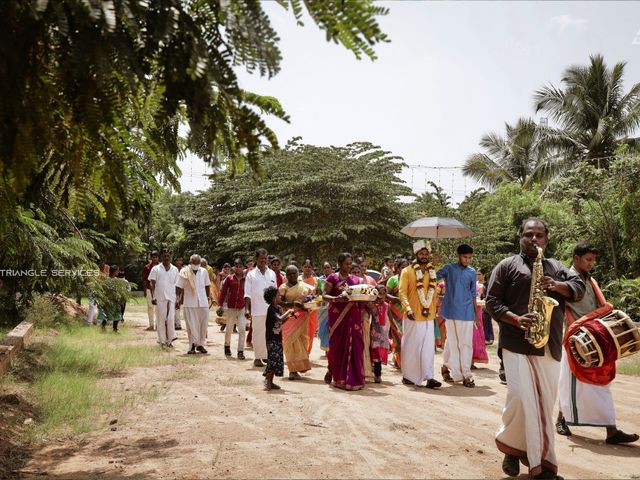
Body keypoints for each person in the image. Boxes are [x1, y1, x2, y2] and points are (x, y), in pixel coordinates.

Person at [485, 218, 585, 480]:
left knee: (543, 404)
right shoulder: (507, 266)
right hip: (517, 343)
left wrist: (556, 285)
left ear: (546, 239)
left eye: (539, 235)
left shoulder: (557, 267)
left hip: (549, 344)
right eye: (529, 235)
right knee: (519, 397)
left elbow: (578, 289)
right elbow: (491, 301)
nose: (534, 239)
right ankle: (535, 460)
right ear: (520, 237)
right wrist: (515, 319)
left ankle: (522, 452)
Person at [556, 243, 638, 445]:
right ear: (576, 258)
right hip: (577, 341)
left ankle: (611, 430)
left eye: (593, 260)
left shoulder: (590, 280)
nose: (591, 263)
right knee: (570, 383)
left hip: (596, 340)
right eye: (588, 259)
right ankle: (561, 420)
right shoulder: (566, 279)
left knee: (602, 385)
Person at [398, 241, 441, 389]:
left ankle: (429, 377)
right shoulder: (407, 271)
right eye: (421, 254)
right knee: (411, 346)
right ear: (416, 254)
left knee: (429, 347)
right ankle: (408, 376)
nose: (424, 256)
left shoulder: (432, 271)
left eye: (426, 254)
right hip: (413, 315)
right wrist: (408, 308)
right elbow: (402, 292)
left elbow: (434, 292)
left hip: (428, 315)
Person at [437, 244, 479, 388]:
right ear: (458, 256)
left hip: (466, 312)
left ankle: (466, 375)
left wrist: (476, 315)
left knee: (465, 343)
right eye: (465, 257)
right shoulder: (449, 268)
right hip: (450, 310)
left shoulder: (472, 272)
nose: (467, 260)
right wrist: (435, 263)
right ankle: (447, 366)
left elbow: (473, 293)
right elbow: (433, 277)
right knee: (452, 342)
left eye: (469, 257)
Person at [323, 252, 366, 390]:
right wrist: (336, 299)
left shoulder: (356, 280)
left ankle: (354, 379)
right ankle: (337, 375)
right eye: (346, 264)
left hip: (353, 317)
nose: (348, 266)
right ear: (339, 264)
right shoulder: (333, 278)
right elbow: (324, 296)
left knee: (355, 346)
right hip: (337, 317)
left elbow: (362, 297)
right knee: (337, 346)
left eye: (350, 264)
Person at [244, 248, 278, 367]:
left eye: (265, 258)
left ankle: (266, 356)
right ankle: (258, 357)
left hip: (270, 310)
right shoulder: (251, 274)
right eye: (261, 259)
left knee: (269, 334)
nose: (263, 261)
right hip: (257, 309)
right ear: (256, 259)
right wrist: (247, 310)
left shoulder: (272, 273)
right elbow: (247, 294)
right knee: (258, 334)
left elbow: (275, 292)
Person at [279, 265, 313, 379]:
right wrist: (293, 304)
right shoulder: (283, 287)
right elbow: (279, 302)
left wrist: (308, 304)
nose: (292, 276)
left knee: (302, 341)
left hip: (303, 316)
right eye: (290, 274)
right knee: (290, 342)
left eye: (294, 273)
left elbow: (311, 298)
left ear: (298, 274)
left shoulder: (304, 286)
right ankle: (292, 371)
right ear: (286, 275)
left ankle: (299, 367)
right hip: (289, 317)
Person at [176, 254, 212, 354]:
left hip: (203, 302)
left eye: (198, 263)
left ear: (200, 263)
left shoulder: (204, 271)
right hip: (190, 302)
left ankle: (200, 345)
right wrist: (177, 299)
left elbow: (207, 285)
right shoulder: (184, 272)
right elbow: (178, 286)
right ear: (190, 262)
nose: (196, 265)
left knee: (203, 325)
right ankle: (192, 345)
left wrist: (208, 297)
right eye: (194, 263)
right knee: (191, 325)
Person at [263, 286, 295, 390]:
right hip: (271, 338)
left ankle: (270, 381)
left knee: (277, 359)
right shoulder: (271, 309)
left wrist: (289, 317)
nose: (280, 296)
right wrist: (289, 311)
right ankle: (267, 380)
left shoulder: (279, 308)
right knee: (273, 359)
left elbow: (280, 322)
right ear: (273, 298)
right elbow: (280, 318)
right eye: (278, 295)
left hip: (277, 338)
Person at [149, 250, 179, 348]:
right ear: (162, 257)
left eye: (168, 256)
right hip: (159, 297)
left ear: (171, 257)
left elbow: (177, 285)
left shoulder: (175, 269)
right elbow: (152, 284)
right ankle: (162, 340)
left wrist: (178, 299)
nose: (166, 257)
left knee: (170, 319)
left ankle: (170, 340)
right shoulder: (156, 268)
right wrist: (153, 297)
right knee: (161, 319)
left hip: (171, 296)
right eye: (164, 256)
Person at [217, 258, 247, 359]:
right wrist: (220, 305)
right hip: (231, 307)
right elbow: (223, 292)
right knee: (229, 328)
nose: (238, 268)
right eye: (236, 266)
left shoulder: (246, 279)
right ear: (234, 267)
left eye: (240, 266)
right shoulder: (229, 278)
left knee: (242, 329)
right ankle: (227, 346)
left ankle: (240, 351)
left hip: (242, 307)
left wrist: (248, 309)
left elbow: (248, 294)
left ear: (243, 267)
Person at [386, 257, 408, 369]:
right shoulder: (393, 280)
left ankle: (401, 359)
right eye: (402, 267)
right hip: (394, 312)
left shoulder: (410, 279)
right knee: (398, 338)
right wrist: (398, 300)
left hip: (407, 312)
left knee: (407, 338)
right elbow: (386, 294)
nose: (405, 269)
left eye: (406, 267)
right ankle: (399, 360)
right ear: (398, 269)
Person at [370, 285, 390, 383]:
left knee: (380, 353)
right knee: (375, 352)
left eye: (383, 294)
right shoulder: (371, 305)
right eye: (379, 294)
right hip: (374, 332)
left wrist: (393, 333)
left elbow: (390, 320)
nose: (381, 296)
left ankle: (377, 373)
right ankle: (376, 374)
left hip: (383, 333)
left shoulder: (386, 305)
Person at [471, 269, 489, 369]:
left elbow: (480, 299)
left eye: (478, 274)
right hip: (468, 311)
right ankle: (467, 360)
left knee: (476, 335)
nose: (477, 276)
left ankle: (472, 360)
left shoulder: (481, 286)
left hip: (478, 311)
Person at [301, 259, 319, 354]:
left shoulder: (317, 280)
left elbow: (320, 294)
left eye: (309, 267)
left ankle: (307, 352)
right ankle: (300, 352)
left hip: (312, 310)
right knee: (300, 332)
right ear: (302, 268)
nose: (307, 268)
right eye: (305, 266)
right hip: (300, 310)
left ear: (312, 268)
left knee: (310, 332)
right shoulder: (298, 280)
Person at [98, 265, 122, 333]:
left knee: (116, 314)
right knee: (107, 314)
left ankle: (114, 329)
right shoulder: (108, 280)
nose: (118, 272)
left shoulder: (116, 280)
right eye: (117, 270)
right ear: (114, 271)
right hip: (109, 300)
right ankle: (105, 328)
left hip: (115, 300)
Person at [317, 261, 334, 354]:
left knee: (331, 327)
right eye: (325, 268)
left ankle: (331, 347)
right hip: (323, 307)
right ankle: (325, 347)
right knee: (323, 328)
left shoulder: (335, 279)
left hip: (332, 305)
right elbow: (318, 292)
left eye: (328, 267)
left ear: (332, 268)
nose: (327, 269)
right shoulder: (320, 280)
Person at [142, 252, 159, 331]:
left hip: (159, 289)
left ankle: (158, 325)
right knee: (150, 307)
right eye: (153, 257)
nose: (154, 258)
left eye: (156, 257)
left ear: (158, 258)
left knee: (158, 307)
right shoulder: (147, 267)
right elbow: (145, 280)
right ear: (151, 258)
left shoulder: (161, 267)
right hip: (149, 289)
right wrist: (145, 290)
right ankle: (151, 325)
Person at [478, 268, 495, 345]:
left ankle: (490, 338)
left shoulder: (487, 284)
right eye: (476, 274)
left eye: (479, 274)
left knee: (487, 321)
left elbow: (490, 294)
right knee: (480, 322)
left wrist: (485, 301)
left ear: (484, 275)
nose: (477, 276)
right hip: (477, 305)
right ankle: (482, 338)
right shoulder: (476, 283)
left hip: (485, 305)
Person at [173, 256, 184, 330]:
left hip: (182, 290)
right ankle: (176, 323)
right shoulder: (173, 269)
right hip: (174, 290)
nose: (179, 262)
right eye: (177, 260)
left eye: (180, 260)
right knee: (174, 307)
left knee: (178, 307)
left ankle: (177, 323)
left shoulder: (184, 270)